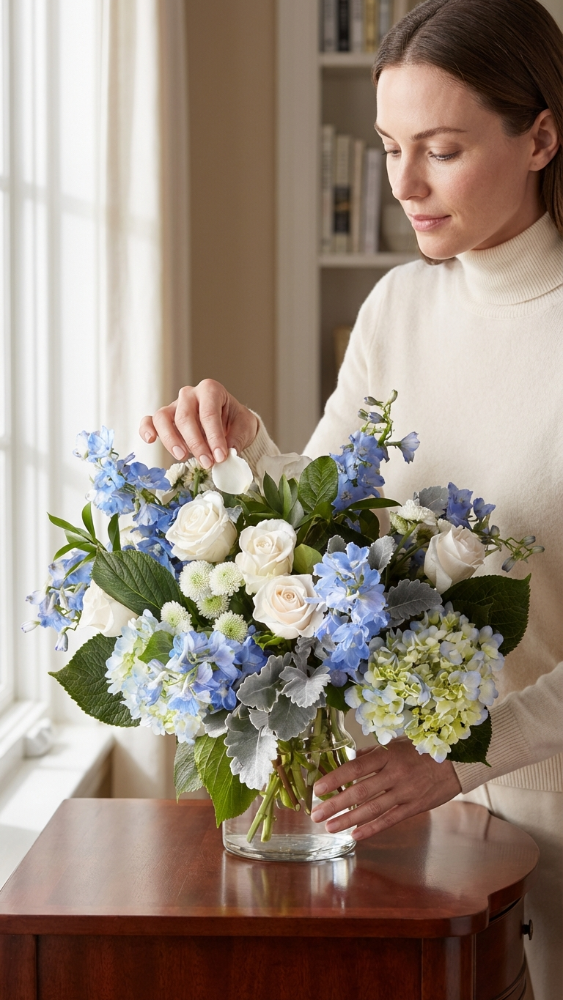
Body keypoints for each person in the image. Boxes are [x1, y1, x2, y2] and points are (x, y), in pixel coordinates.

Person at [140, 1, 563, 995]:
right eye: (386, 148)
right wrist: (241, 447)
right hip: (411, 828)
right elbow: (334, 516)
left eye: (442, 149)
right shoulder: (399, 304)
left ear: (540, 135)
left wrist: (457, 761)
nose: (404, 185)